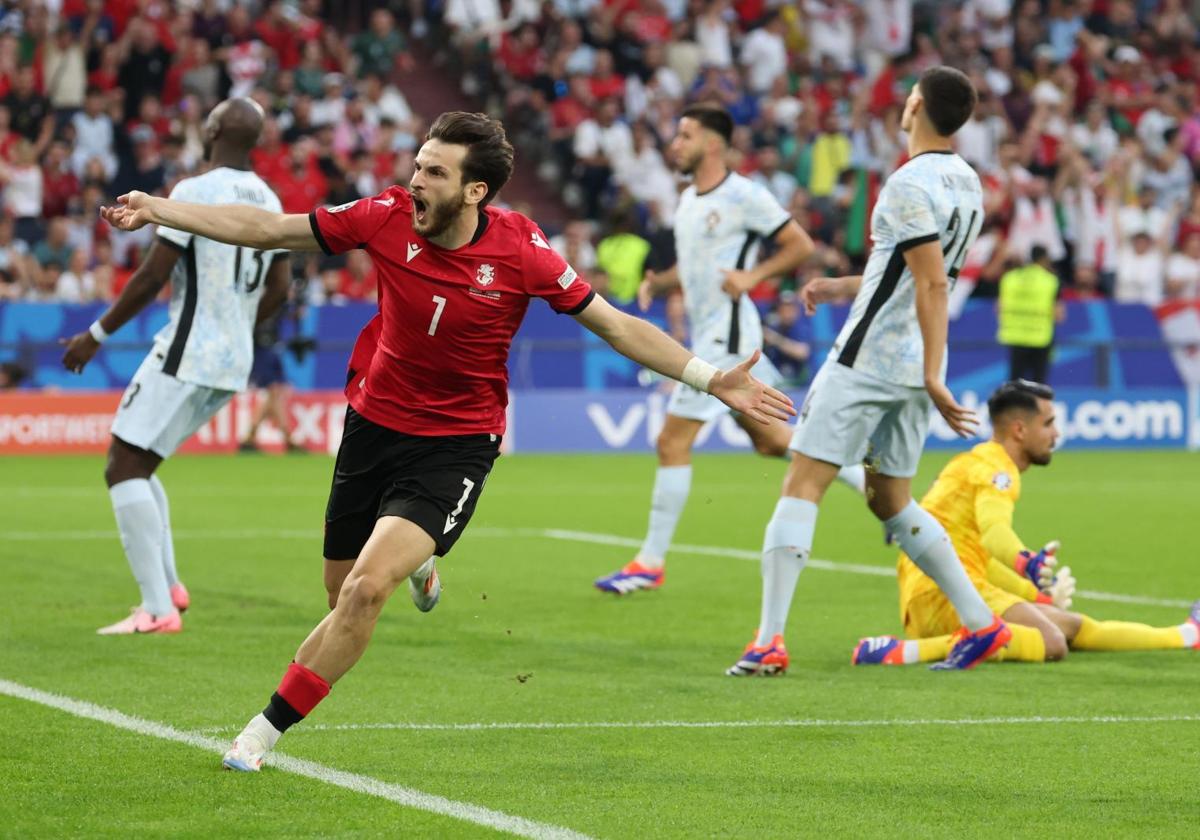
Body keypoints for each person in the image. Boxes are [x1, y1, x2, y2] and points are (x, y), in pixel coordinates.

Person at [98, 111, 794, 771]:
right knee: (339, 591)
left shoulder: (522, 250)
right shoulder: (385, 216)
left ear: (474, 190)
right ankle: (423, 564)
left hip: (456, 443)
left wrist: (710, 379)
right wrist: (163, 208)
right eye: (417, 165)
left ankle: (261, 731)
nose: (414, 181)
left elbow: (614, 325)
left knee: (367, 591)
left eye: (433, 172)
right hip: (373, 426)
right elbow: (268, 228)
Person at [726, 66, 1011, 677]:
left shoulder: (907, 183)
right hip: (909, 366)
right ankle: (984, 625)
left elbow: (933, 281)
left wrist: (937, 376)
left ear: (915, 106)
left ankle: (768, 639)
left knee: (803, 482)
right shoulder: (967, 182)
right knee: (891, 500)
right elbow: (916, 274)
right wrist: (842, 286)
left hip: (870, 359)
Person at [593, 104, 865, 596]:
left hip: (731, 338)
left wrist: (754, 277)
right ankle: (873, 488)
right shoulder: (689, 200)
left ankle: (650, 562)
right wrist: (663, 279)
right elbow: (699, 266)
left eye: (685, 135)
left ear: (712, 144)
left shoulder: (743, 194)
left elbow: (800, 245)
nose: (675, 143)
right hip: (713, 332)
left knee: (671, 442)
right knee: (770, 441)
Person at [61, 98, 291, 635]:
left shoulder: (192, 191)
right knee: (142, 461)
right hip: (235, 357)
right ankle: (169, 590)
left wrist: (95, 336)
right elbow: (280, 287)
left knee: (122, 465)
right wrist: (237, 323)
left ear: (211, 128)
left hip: (189, 348)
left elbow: (150, 276)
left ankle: (158, 609)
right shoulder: (269, 197)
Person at [853, 380, 1200, 665]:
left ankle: (1186, 635)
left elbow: (977, 554)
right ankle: (901, 652)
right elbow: (994, 534)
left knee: (1069, 625)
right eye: (1048, 423)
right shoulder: (996, 470)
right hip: (938, 595)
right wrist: (1026, 562)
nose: (1056, 433)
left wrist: (1036, 595)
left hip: (943, 588)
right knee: (1052, 642)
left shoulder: (977, 462)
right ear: (1019, 429)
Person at [996, 245, 1061, 384]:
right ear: (1044, 259)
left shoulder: (1010, 278)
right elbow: (1059, 314)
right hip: (1040, 337)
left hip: (1015, 336)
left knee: (1014, 383)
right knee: (1039, 384)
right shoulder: (1050, 280)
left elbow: (998, 308)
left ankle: (1013, 405)